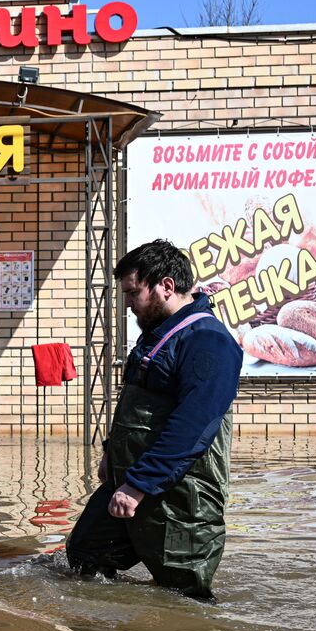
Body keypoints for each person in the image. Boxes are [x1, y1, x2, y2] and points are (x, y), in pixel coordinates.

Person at [66, 239, 243, 599]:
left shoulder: (208, 341)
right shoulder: (157, 336)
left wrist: (139, 485)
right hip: (129, 480)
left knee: (182, 596)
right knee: (86, 555)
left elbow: (195, 424)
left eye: (133, 293)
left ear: (165, 286)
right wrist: (110, 455)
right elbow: (136, 407)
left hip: (180, 495)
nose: (128, 304)